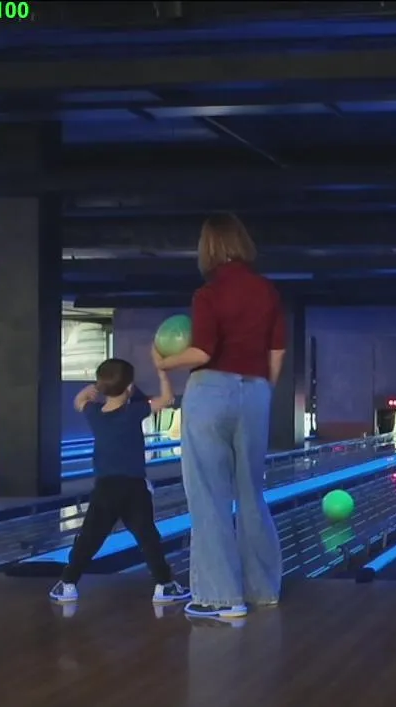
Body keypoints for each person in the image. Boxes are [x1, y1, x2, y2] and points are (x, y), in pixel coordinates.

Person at [154, 213, 288, 619]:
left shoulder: (208, 294)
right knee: (251, 493)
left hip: (210, 391)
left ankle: (220, 599)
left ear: (208, 247)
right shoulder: (267, 291)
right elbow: (277, 351)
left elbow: (203, 352)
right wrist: (262, 390)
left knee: (209, 496)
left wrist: (163, 362)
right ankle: (263, 590)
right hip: (256, 391)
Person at [48, 352, 191, 605]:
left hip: (105, 487)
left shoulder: (94, 413)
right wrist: (162, 373)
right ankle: (164, 585)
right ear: (129, 387)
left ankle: (67, 584)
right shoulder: (134, 411)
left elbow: (79, 400)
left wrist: (93, 388)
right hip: (134, 487)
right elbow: (168, 399)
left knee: (89, 538)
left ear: (102, 386)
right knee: (148, 538)